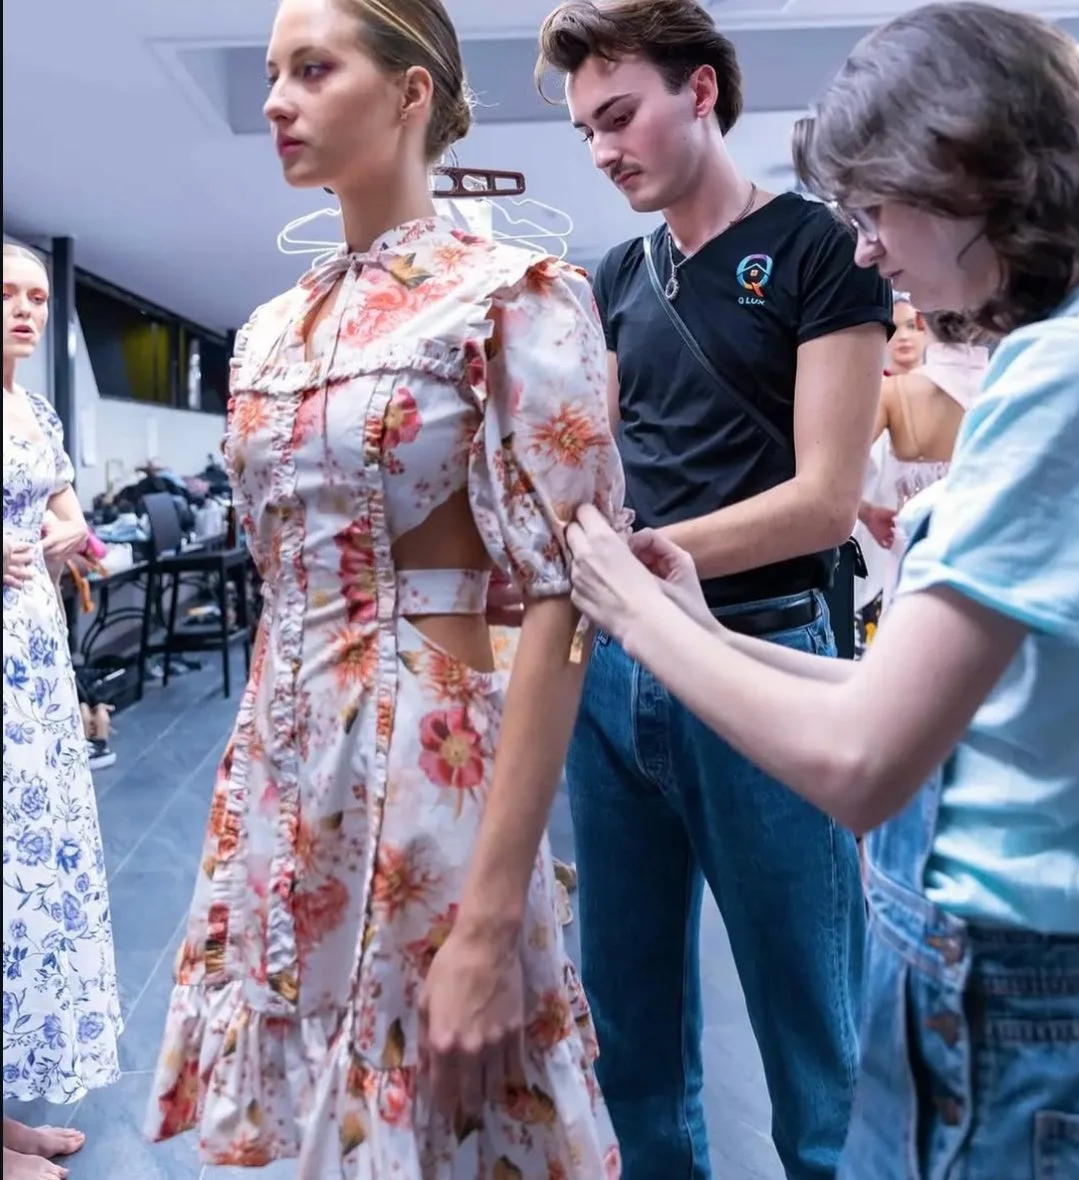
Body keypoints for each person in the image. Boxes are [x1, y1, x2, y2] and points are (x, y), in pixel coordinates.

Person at [563, 4, 1079, 1176]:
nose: (865, 249)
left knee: (811, 1064)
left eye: (878, 209)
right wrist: (688, 620)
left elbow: (862, 761)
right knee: (642, 1029)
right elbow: (902, 692)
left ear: (967, 169)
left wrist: (629, 603)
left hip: (1014, 997)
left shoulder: (1074, 376)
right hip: (991, 977)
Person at [145, 2, 623, 1176]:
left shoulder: (514, 295)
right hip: (278, 763)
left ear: (412, 94)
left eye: (314, 68)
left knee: (439, 1108)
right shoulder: (271, 329)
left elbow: (566, 598)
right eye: (273, 72)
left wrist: (493, 915)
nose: (276, 99)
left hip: (425, 764)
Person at [535, 3, 892, 1177]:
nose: (603, 149)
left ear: (700, 91)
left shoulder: (820, 250)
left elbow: (826, 501)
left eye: (620, 115)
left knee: (814, 1035)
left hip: (762, 656)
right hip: (615, 677)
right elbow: (601, 470)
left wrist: (634, 562)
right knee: (629, 1026)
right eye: (587, 131)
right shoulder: (618, 276)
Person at [3, 243, 122, 1180]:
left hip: (33, 658)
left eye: (38, 298)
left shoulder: (37, 413)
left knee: (27, 865)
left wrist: (70, 533)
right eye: (7, 293)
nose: (25, 309)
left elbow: (75, 522)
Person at [855, 311, 989, 643]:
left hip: (916, 560)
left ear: (920, 321)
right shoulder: (1014, 386)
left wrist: (866, 512)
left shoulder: (894, 392)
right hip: (993, 563)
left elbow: (834, 474)